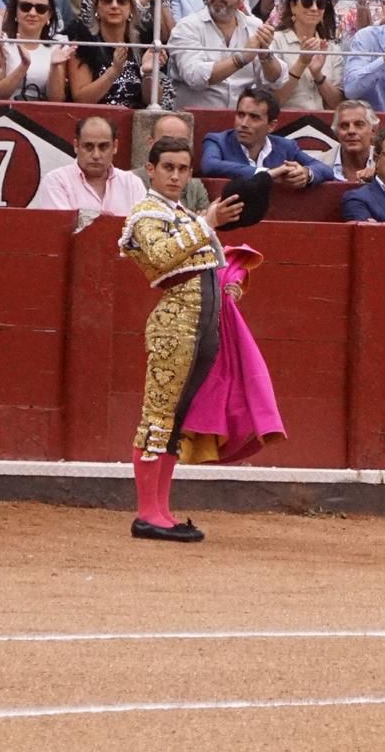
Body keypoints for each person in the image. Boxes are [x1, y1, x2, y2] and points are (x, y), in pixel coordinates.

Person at [118, 135, 258, 542]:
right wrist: (206, 222)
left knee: (175, 421)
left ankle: (161, 510)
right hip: (174, 328)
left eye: (183, 168)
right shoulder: (146, 213)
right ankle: (147, 513)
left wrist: (232, 283)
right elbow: (161, 258)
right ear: (151, 169)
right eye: (168, 168)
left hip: (202, 326)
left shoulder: (183, 214)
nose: (176, 176)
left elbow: (207, 266)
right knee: (158, 416)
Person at [168, 0, 284, 107]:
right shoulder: (186, 27)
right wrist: (241, 58)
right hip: (196, 121)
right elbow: (195, 78)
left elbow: (276, 80)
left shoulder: (255, 26)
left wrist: (265, 55)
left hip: (241, 122)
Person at [68, 0, 172, 108]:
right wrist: (114, 71)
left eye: (122, 0)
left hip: (135, 120)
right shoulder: (83, 45)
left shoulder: (143, 45)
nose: (114, 5)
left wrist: (148, 74)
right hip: (95, 121)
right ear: (96, 9)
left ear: (130, 8)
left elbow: (153, 101)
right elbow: (81, 100)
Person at [200, 84, 334, 188]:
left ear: (271, 126)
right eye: (240, 115)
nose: (244, 123)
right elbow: (210, 165)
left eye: (254, 117)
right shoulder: (217, 141)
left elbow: (325, 169)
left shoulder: (286, 147)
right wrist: (266, 174)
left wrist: (306, 173)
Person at [31, 113, 148, 213]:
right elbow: (60, 231)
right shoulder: (56, 181)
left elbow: (142, 231)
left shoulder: (132, 184)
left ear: (115, 147)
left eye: (103, 147)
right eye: (88, 146)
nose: (96, 155)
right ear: (76, 146)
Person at [269, 0, 344, 112]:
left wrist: (318, 75)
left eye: (321, 4)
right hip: (284, 125)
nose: (314, 8)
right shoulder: (275, 41)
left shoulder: (332, 48)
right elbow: (273, 102)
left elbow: (338, 105)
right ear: (293, 6)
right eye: (307, 2)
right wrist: (302, 63)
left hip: (321, 126)